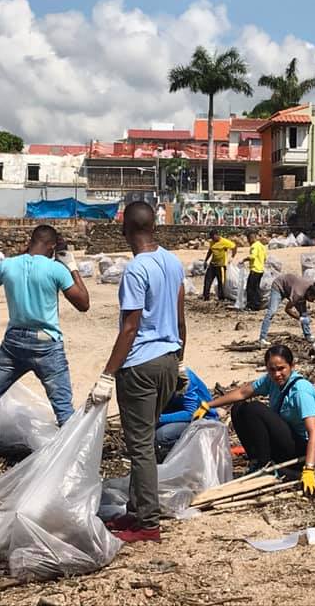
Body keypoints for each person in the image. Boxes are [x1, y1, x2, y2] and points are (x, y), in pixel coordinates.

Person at [87, 201, 186, 544]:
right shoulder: (172, 262)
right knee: (145, 440)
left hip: (141, 365)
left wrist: (107, 374)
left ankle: (147, 523)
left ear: (125, 230)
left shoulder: (135, 269)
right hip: (169, 360)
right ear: (154, 227)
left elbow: (130, 327)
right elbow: (180, 314)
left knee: (140, 446)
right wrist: (181, 359)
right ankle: (135, 509)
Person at [0, 226, 90, 437]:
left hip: (14, 341)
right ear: (53, 247)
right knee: (63, 407)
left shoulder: (8, 265)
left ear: (31, 241)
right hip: (47, 343)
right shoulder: (55, 269)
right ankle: (71, 455)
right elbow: (83, 303)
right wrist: (72, 266)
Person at [192, 344, 315, 497]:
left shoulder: (301, 390)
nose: (277, 374)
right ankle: (257, 462)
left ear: (292, 366)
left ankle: (265, 465)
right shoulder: (271, 381)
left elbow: (313, 431)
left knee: (255, 408)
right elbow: (242, 393)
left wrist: (309, 469)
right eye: (272, 370)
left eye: (281, 368)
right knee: (239, 408)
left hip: (306, 451)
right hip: (287, 444)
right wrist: (208, 405)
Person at [155, 365, 217, 461]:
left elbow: (190, 413)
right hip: (175, 413)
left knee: (162, 434)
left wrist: (158, 419)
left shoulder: (184, 379)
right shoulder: (160, 376)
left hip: (201, 417)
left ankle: (180, 460)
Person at [259, 273, 315, 346]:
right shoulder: (298, 294)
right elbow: (287, 309)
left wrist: (303, 317)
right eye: (312, 298)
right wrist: (300, 318)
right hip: (279, 286)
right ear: (309, 293)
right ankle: (262, 338)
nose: (312, 301)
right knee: (272, 312)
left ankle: (308, 335)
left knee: (304, 313)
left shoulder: (313, 286)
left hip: (291, 288)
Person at [202, 230, 236, 301]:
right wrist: (206, 260)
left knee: (221, 282)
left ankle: (221, 298)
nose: (212, 239)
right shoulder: (212, 242)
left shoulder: (224, 242)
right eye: (211, 238)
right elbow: (210, 251)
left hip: (221, 266)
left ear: (217, 235)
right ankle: (206, 297)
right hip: (212, 265)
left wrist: (232, 257)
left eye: (213, 237)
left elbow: (234, 247)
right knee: (207, 280)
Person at [242, 232, 267, 311]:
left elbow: (252, 256)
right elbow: (265, 257)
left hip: (254, 269)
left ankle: (251, 305)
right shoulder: (261, 246)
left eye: (248, 239)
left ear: (251, 238)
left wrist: (244, 259)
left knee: (250, 288)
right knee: (256, 288)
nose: (248, 241)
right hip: (260, 270)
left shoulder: (254, 246)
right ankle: (257, 304)